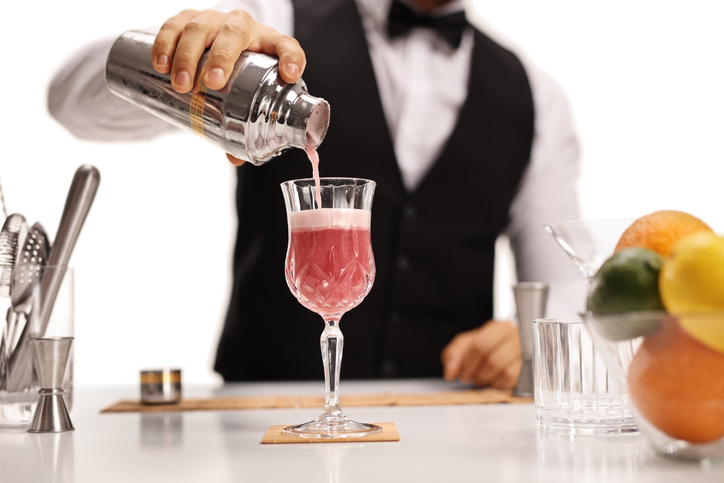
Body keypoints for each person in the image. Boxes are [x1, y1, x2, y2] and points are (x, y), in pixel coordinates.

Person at [48, 0, 585, 388]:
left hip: (447, 422)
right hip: (259, 420)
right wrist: (177, 56)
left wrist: (528, 340)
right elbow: (69, 102)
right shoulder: (274, 23)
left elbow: (566, 279)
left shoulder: (535, 93)